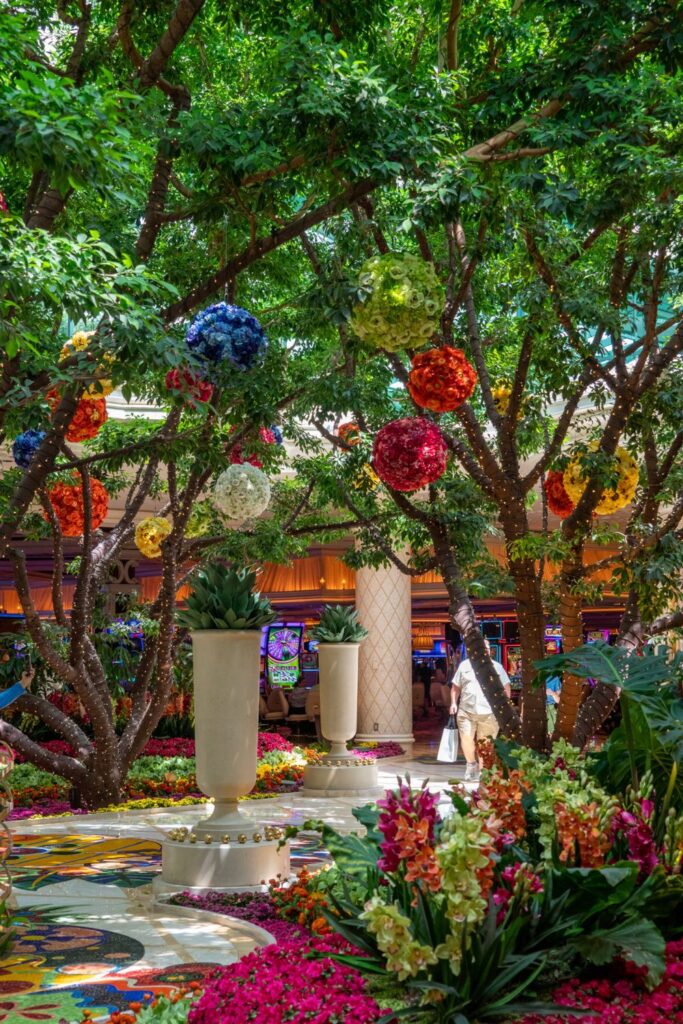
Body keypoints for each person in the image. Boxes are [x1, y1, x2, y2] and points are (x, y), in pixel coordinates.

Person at [449, 639, 511, 781]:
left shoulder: (497, 667)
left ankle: (484, 772)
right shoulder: (464, 666)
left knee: (485, 744)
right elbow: (455, 687)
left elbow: (506, 687)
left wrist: (504, 705)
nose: (486, 650)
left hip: (489, 712)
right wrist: (453, 703)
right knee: (466, 738)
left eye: (488, 648)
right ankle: (471, 764)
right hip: (466, 711)